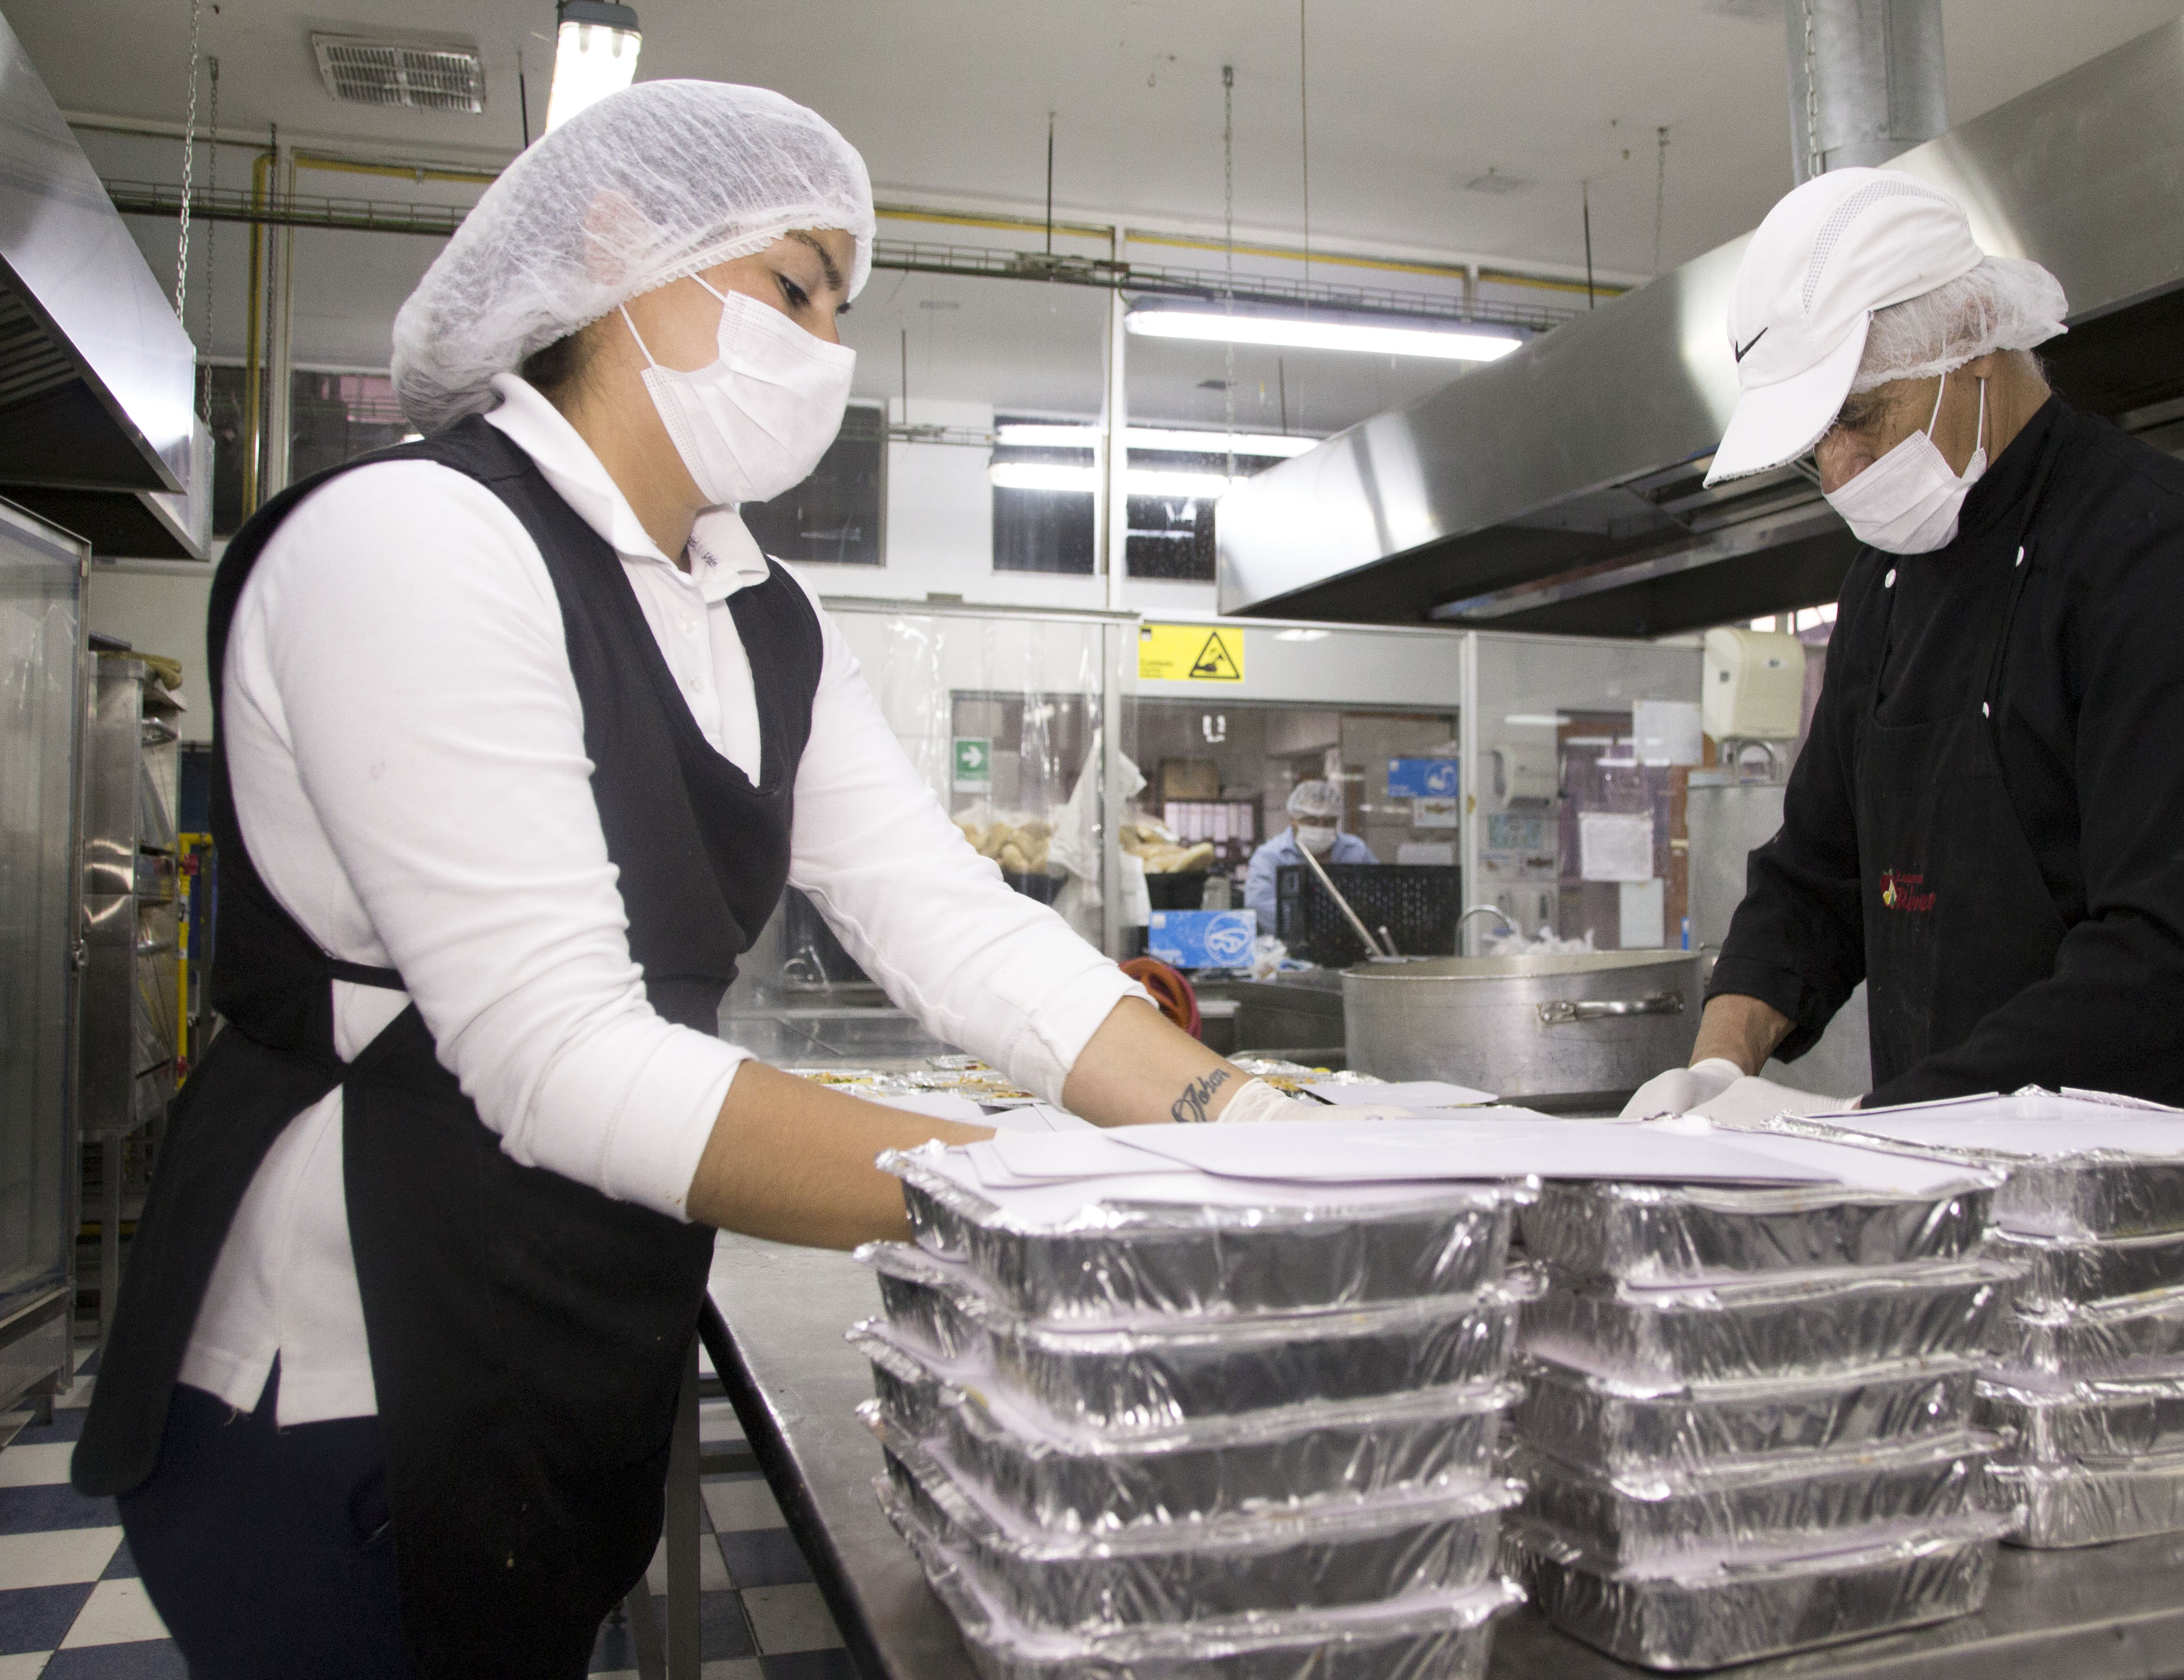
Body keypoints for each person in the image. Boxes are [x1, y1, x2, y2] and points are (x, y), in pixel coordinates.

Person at [71, 81, 1309, 1680]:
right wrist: (1040, 1187)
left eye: (841, 310)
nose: (825, 349)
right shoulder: (418, 540)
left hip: (563, 1344)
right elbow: (561, 1058)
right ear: (619, 249)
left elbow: (943, 917)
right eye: (792, 287)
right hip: (348, 1380)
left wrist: (1223, 1122)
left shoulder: (759, 615)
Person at [1625, 168, 2184, 1124]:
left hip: (2161, 1213)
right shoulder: (1883, 586)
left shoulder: (2167, 560)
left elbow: (2173, 970)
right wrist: (1715, 1070)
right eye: (1810, 446)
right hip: (1955, 1194)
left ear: (1973, 351)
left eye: (1858, 417)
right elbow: (1815, 878)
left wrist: (1869, 1125)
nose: (1837, 473)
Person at [1244, 777, 1378, 934]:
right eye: (1312, 822)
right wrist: (1314, 926)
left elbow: (1379, 893)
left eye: (1329, 822)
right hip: (1292, 945)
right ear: (1293, 819)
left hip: (1352, 939)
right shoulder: (1271, 856)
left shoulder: (1355, 851)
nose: (1320, 828)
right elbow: (1260, 904)